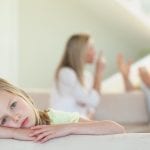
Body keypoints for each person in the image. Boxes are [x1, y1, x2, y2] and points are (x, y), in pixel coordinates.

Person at [0, 78, 125, 143]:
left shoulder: (54, 118)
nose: (15, 117)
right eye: (4, 120)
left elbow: (117, 129)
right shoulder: (7, 134)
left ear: (24, 95)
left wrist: (68, 128)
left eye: (13, 105)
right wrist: (14, 133)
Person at [50, 33, 105, 119]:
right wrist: (99, 72)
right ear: (80, 51)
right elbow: (93, 101)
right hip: (63, 122)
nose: (94, 52)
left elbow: (92, 105)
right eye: (91, 48)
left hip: (78, 123)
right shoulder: (65, 73)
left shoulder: (87, 76)